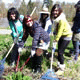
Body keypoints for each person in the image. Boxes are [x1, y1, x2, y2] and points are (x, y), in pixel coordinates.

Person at [50, 4, 72, 70]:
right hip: (62, 36)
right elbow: (56, 28)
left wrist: (56, 39)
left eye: (57, 10)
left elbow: (60, 30)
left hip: (67, 36)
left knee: (60, 52)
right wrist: (54, 33)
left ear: (59, 11)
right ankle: (59, 65)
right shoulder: (56, 19)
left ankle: (62, 67)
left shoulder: (61, 19)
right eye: (54, 10)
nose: (55, 12)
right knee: (59, 51)